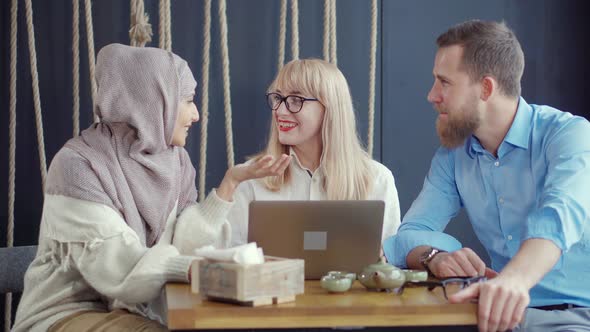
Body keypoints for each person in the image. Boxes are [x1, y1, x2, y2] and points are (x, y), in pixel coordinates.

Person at [12, 43, 289, 332]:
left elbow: (185, 244)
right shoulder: (78, 166)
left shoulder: (176, 161)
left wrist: (229, 185)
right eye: (188, 100)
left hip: (138, 311)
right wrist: (199, 271)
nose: (195, 114)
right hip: (66, 314)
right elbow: (118, 268)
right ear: (155, 101)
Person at [383, 20, 590, 332]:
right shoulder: (452, 157)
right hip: (500, 317)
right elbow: (410, 233)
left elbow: (562, 213)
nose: (431, 95)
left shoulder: (570, 135)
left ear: (486, 88)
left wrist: (514, 280)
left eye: (444, 82)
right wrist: (435, 257)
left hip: (578, 316)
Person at [227, 59, 401, 248]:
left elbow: (386, 265)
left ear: (330, 109)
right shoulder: (249, 178)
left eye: (296, 100)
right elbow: (230, 257)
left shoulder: (378, 179)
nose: (280, 110)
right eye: (278, 98)